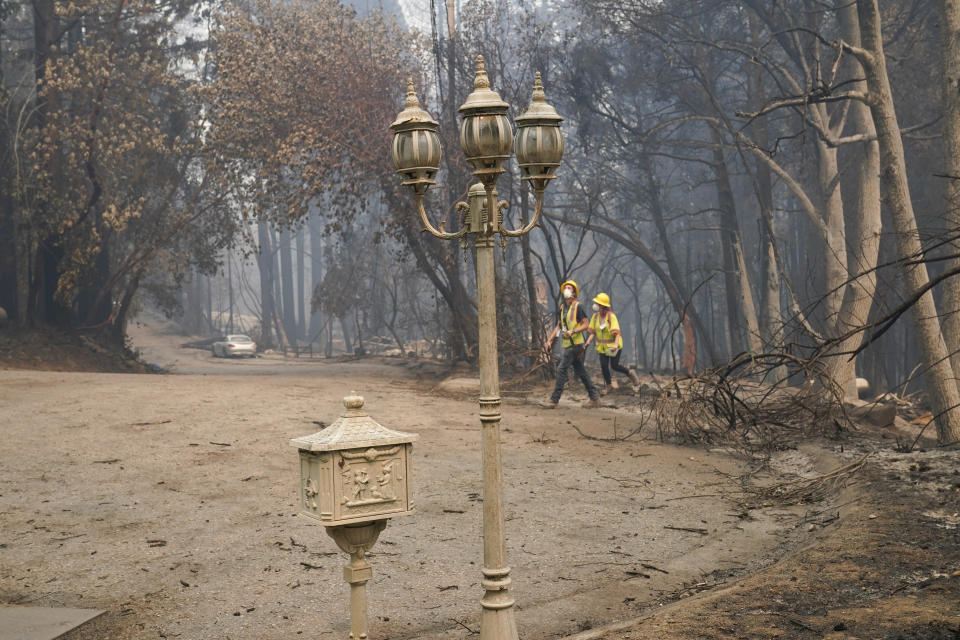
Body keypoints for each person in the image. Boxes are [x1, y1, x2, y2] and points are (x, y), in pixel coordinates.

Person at [543, 280, 601, 408]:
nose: (566, 290)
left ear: (574, 292)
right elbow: (559, 326)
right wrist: (550, 340)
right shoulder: (563, 308)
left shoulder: (578, 307)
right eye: (565, 288)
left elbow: (586, 324)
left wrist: (572, 331)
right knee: (581, 371)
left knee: (561, 369)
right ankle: (595, 397)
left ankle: (554, 400)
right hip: (567, 344)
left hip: (576, 344)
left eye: (569, 288)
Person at [585, 292, 641, 394]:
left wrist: (615, 344)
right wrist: (588, 342)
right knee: (604, 366)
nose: (595, 305)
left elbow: (617, 332)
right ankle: (609, 386)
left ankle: (630, 373)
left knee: (614, 366)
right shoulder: (595, 317)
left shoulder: (611, 316)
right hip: (602, 347)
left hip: (613, 346)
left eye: (598, 303)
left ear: (603, 305)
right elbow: (593, 332)